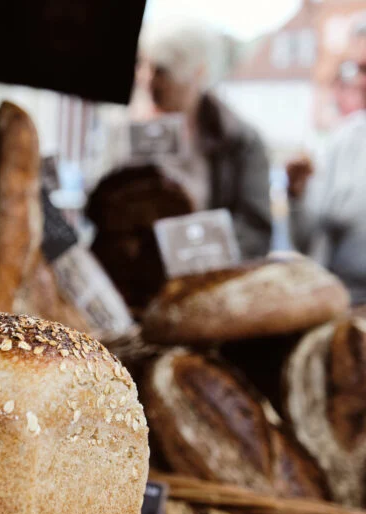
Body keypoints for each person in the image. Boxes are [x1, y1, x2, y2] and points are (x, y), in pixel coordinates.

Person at [145, 25, 272, 259]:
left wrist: (202, 258)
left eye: (164, 72)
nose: (152, 83)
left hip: (211, 279)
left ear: (197, 73)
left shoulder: (241, 141)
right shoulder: (136, 134)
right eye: (149, 70)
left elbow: (254, 229)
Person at [288, 20, 366, 304]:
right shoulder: (345, 139)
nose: (358, 81)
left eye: (365, 69)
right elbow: (308, 238)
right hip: (345, 303)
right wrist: (297, 193)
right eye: (355, 69)